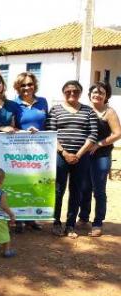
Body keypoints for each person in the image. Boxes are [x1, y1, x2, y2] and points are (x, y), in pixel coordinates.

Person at [45, 80, 98, 238]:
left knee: (76, 191)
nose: (72, 93)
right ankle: (56, 223)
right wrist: (65, 153)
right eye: (68, 91)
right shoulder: (55, 110)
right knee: (58, 190)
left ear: (80, 93)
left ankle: (70, 225)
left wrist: (79, 154)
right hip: (61, 156)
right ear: (63, 92)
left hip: (81, 157)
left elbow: (93, 135)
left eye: (75, 91)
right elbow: (51, 133)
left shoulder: (89, 111)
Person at [78, 82, 121, 237]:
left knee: (99, 190)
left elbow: (117, 133)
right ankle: (83, 218)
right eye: (94, 92)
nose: (97, 94)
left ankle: (97, 223)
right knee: (84, 188)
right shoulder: (84, 110)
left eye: (101, 92)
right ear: (89, 95)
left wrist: (99, 144)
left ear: (106, 96)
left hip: (101, 156)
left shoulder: (109, 112)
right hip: (84, 155)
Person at [12, 72, 48, 232]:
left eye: (29, 84)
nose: (26, 88)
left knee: (36, 182)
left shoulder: (43, 102)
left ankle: (32, 218)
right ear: (18, 87)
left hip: (41, 149)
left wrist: (40, 132)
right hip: (20, 148)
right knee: (21, 182)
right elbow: (11, 126)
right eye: (23, 85)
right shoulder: (14, 104)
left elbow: (47, 124)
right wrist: (23, 131)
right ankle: (19, 219)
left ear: (34, 85)